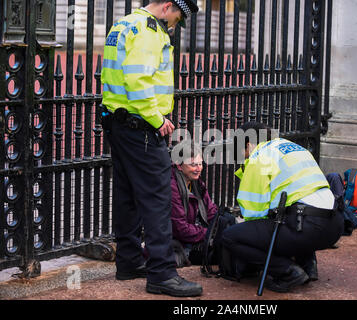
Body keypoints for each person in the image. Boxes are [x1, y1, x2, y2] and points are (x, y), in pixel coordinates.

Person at [100, 0, 203, 297]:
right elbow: (138, 77)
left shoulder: (124, 23)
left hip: (118, 121)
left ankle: (130, 261)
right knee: (158, 198)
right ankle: (161, 273)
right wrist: (156, 119)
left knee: (127, 192)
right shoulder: (147, 30)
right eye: (177, 17)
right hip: (141, 125)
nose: (175, 25)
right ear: (168, 5)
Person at [221, 122, 344, 293]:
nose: (244, 159)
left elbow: (253, 214)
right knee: (290, 214)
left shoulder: (259, 157)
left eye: (242, 153)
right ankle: (308, 266)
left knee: (230, 237)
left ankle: (288, 272)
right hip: (335, 225)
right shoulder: (294, 148)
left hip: (308, 227)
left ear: (248, 144)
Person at [170, 142, 218, 266]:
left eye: (200, 164)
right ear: (179, 165)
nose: (198, 169)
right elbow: (180, 229)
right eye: (193, 164)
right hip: (179, 243)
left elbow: (211, 210)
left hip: (196, 237)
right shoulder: (171, 187)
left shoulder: (196, 183)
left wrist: (220, 227)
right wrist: (209, 233)